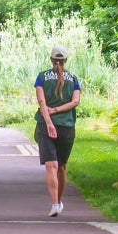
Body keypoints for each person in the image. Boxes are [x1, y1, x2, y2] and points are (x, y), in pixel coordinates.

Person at [34, 46, 82, 216]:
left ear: (51, 59)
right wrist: (57, 111)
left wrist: (49, 121)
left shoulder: (41, 77)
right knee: (61, 167)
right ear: (65, 60)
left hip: (45, 126)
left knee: (51, 165)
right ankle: (58, 202)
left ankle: (55, 204)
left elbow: (41, 102)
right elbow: (76, 101)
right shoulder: (74, 79)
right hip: (67, 127)